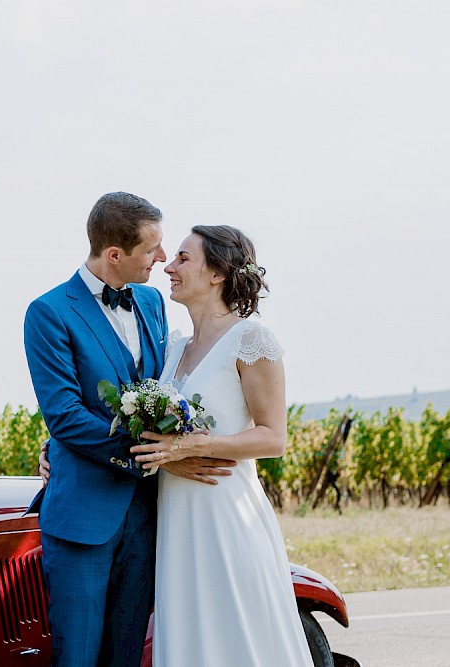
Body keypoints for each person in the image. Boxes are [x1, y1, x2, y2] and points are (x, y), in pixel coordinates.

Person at [24, 193, 234, 667]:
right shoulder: (49, 312)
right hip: (83, 517)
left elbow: (166, 388)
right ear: (114, 255)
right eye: (153, 249)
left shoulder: (153, 303)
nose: (163, 261)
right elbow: (65, 416)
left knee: (128, 655)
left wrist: (175, 447)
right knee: (76, 656)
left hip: (150, 516)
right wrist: (157, 452)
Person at [129, 225, 314, 666]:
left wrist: (194, 446)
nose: (168, 267)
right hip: (176, 518)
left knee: (237, 636)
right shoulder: (172, 349)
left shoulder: (252, 340)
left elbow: (274, 437)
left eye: (182, 258)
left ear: (217, 273)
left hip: (227, 514)